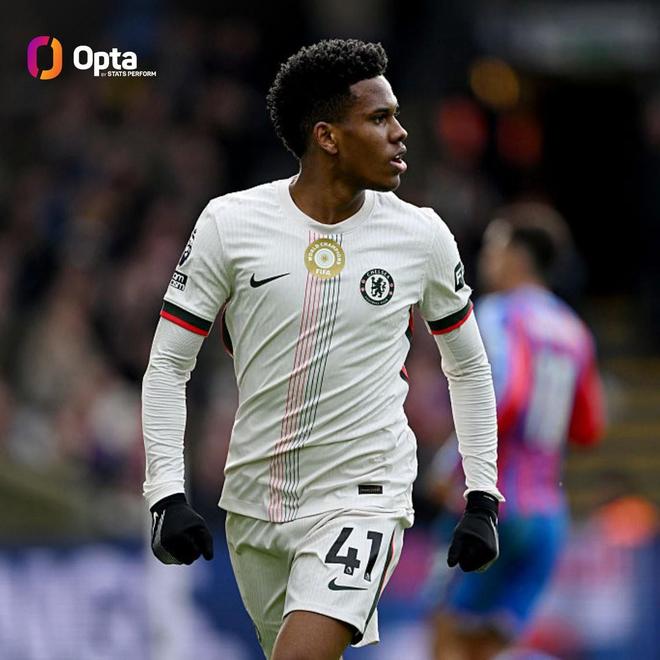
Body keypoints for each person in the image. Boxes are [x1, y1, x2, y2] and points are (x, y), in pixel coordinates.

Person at [142, 39, 503, 660]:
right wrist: (166, 494)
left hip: (366, 494)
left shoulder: (420, 234)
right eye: (379, 118)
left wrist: (483, 495)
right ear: (328, 137)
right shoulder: (230, 224)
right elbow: (169, 364)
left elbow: (467, 365)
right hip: (254, 502)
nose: (400, 133)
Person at [428, 202, 606, 660]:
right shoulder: (574, 329)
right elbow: (589, 428)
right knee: (487, 647)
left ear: (518, 255)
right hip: (548, 515)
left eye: (494, 247)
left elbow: (503, 394)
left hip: (495, 508)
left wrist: (451, 465)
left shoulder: (498, 313)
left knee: (446, 631)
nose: (486, 259)